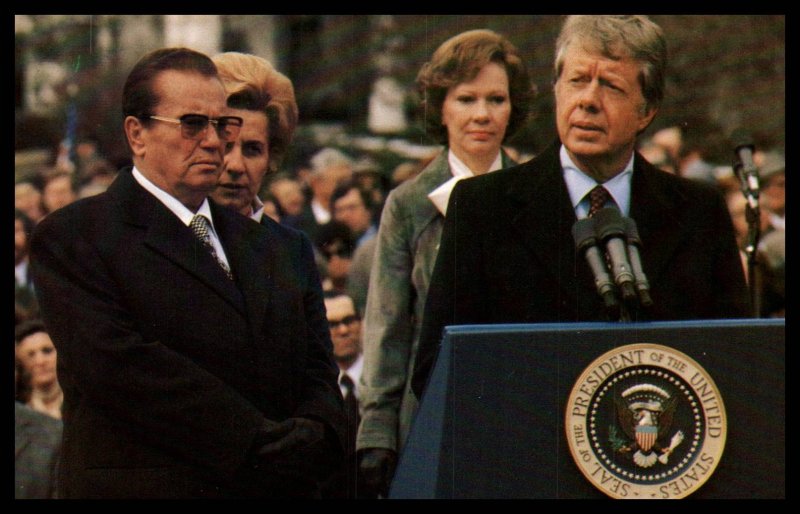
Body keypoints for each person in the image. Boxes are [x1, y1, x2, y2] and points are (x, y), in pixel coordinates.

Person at [29, 47, 345, 499]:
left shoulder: (270, 244)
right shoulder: (76, 235)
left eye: (223, 125)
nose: (215, 142)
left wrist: (317, 431)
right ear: (137, 134)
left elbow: (317, 363)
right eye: (193, 124)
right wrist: (256, 440)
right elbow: (123, 369)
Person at [411, 15, 751, 399]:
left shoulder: (698, 213)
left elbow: (734, 365)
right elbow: (436, 370)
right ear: (557, 89)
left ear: (647, 110)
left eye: (610, 85)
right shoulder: (482, 208)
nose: (588, 101)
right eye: (576, 81)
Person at [356, 28, 533, 498]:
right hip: (431, 410)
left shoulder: (538, 196)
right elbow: (387, 328)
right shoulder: (408, 204)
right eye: (466, 98)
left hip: (522, 411)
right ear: (442, 106)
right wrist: (376, 433)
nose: (482, 114)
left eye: (496, 99)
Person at [319, 292, 374, 498]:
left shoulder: (381, 378)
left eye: (349, 321)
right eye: (332, 324)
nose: (343, 330)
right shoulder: (320, 389)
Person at [15, 319, 63, 419]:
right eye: (30, 355)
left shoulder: (85, 404)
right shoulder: (19, 415)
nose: (40, 361)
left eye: (47, 351)